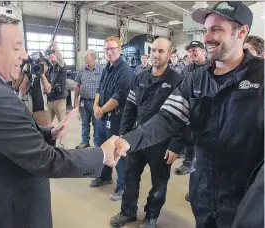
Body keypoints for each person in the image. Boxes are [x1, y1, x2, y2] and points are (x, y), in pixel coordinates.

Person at [0, 12, 118, 228]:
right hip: (8, 213)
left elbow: (1, 139)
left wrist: (48, 133)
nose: (25, 55)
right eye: (17, 47)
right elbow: (45, 160)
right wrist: (100, 154)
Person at [112, 2, 264, 228]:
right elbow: (167, 119)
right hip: (203, 189)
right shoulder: (196, 79)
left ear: (242, 32)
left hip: (246, 198)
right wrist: (129, 140)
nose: (207, 38)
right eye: (206, 30)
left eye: (216, 30)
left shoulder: (260, 77)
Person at [110, 38, 184, 228]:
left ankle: (151, 215)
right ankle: (128, 212)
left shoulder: (177, 81)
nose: (156, 55)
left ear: (169, 54)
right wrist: (124, 136)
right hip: (137, 139)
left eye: (161, 51)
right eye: (153, 51)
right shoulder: (140, 78)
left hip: (162, 143)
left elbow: (181, 117)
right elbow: (130, 109)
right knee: (129, 177)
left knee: (159, 182)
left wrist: (176, 145)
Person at [90, 36, 134, 201]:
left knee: (118, 152)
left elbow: (119, 97)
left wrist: (101, 109)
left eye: (112, 49)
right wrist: (95, 106)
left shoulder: (126, 71)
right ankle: (105, 176)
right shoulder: (106, 68)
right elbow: (99, 88)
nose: (109, 52)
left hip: (116, 119)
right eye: (106, 49)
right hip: (102, 117)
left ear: (120, 49)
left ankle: (122, 185)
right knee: (102, 147)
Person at [174, 40, 209, 177]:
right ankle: (188, 163)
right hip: (191, 110)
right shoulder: (187, 70)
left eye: (195, 50)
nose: (191, 53)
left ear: (203, 51)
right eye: (189, 51)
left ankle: (203, 168)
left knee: (205, 143)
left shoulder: (212, 67)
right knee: (189, 138)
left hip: (208, 111)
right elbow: (179, 89)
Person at [74, 49, 104, 149]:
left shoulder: (101, 70)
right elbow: (77, 85)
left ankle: (96, 144)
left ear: (93, 57)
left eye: (86, 55)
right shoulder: (82, 69)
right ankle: (84, 142)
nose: (84, 57)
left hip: (95, 102)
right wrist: (75, 100)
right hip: (83, 101)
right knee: (84, 123)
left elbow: (104, 87)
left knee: (97, 124)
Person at [45, 40, 67, 148]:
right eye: (49, 57)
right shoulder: (49, 69)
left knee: (61, 124)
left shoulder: (62, 66)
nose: (50, 58)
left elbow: (60, 57)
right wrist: (49, 47)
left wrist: (55, 46)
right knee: (48, 124)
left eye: (52, 56)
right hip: (49, 101)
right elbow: (45, 53)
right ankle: (50, 143)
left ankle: (61, 144)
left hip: (59, 101)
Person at [19, 57, 52, 126]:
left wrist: (42, 75)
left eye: (41, 65)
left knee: (44, 133)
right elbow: (22, 91)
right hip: (29, 111)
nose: (37, 67)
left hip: (42, 111)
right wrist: (26, 76)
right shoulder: (28, 76)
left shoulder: (45, 77)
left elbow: (48, 90)